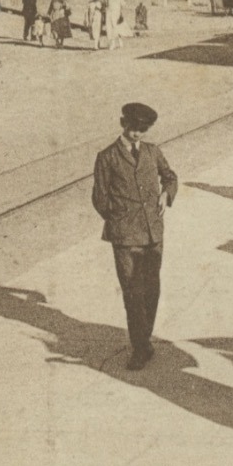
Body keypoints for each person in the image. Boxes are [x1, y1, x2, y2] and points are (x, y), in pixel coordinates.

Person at [91, 103, 178, 370]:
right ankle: (140, 347)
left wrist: (166, 194)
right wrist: (120, 220)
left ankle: (145, 339)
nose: (138, 134)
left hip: (153, 233)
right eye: (133, 128)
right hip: (126, 237)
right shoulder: (107, 157)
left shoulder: (152, 152)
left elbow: (170, 177)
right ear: (122, 123)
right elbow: (100, 198)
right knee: (132, 293)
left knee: (151, 290)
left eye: (143, 129)